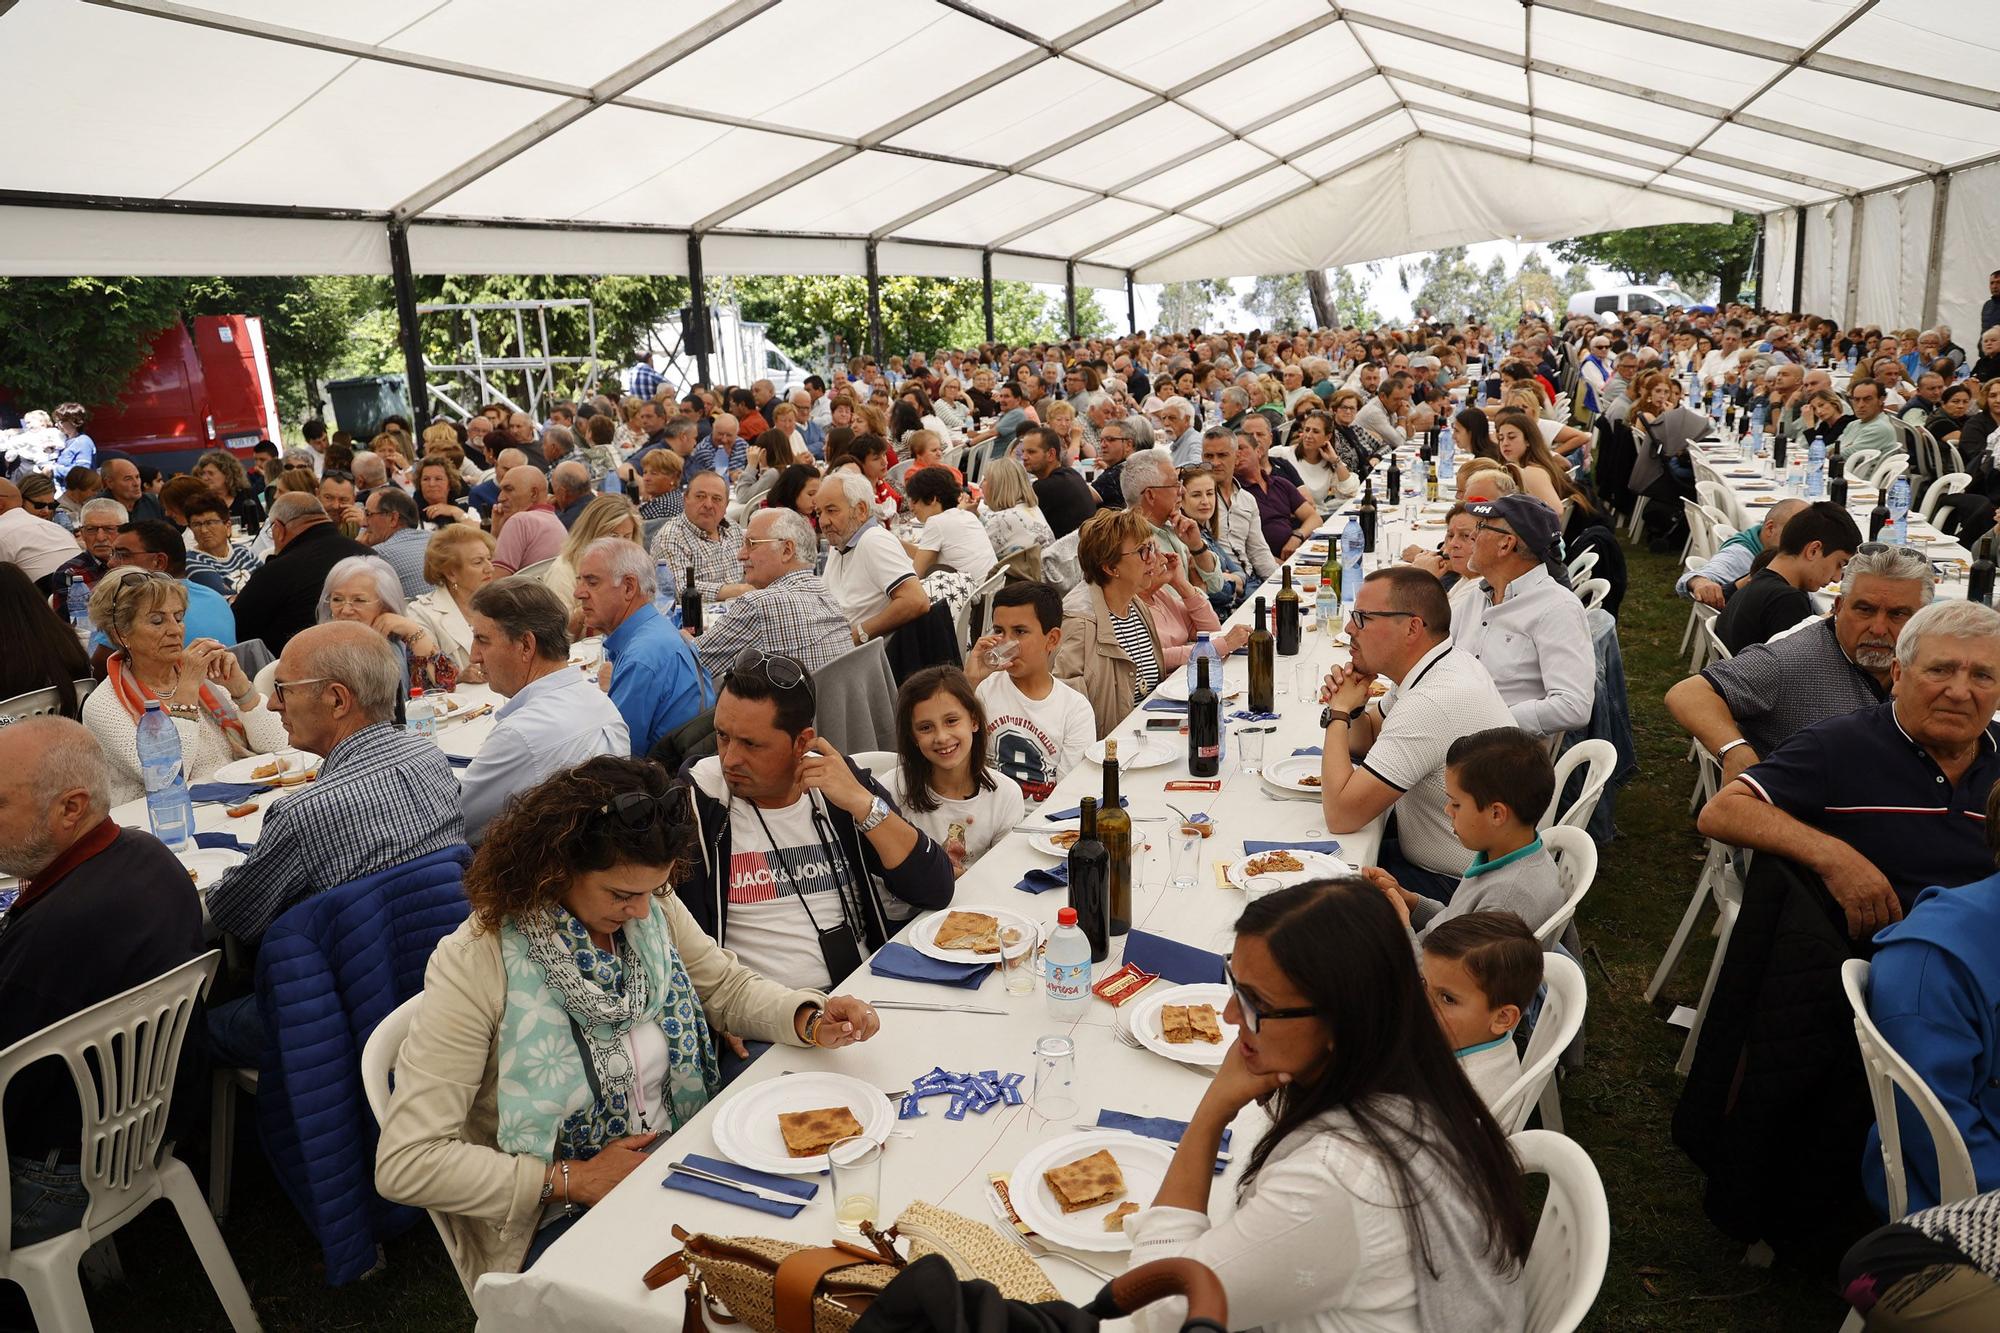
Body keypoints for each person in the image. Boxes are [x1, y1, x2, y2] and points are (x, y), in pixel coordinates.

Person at [375, 756, 881, 1285]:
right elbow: (408, 1161)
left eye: (652, 890)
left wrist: (808, 1016)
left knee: (820, 1225)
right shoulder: (476, 960)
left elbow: (724, 986)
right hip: (557, 1211)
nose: (642, 912)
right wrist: (572, 1178)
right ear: (555, 868)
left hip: (680, 1150)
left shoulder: (652, 903)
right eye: (621, 895)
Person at [1127, 880, 1529, 1333]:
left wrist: (1211, 1112)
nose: (1230, 1016)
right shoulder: (1415, 1071)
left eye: (1257, 1002)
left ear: (1343, 1021)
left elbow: (1157, 1311)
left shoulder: (1335, 1182)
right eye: (1236, 985)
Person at [206, 623, 465, 1059]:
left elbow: (234, 915)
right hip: (438, 993)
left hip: (333, 1015)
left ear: (338, 700)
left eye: (283, 690)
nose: (271, 704)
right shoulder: (431, 758)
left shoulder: (303, 814)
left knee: (192, 1029)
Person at [0, 719, 206, 1248]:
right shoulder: (149, 856)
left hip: (56, 1180)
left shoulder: (52, 937)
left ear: (71, 808)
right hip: (145, 1134)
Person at [1699, 599, 2000, 938]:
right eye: (1939, 670)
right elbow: (1724, 810)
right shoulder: (1839, 745)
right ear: (1898, 675)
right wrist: (1833, 856)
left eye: (1982, 675)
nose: (1960, 692)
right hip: (1893, 956)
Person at [677, 650, 953, 990]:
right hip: (764, 1020)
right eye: (722, 736)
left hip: (864, 995)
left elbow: (936, 889)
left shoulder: (837, 786)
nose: (730, 758)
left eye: (751, 744)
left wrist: (862, 804)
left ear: (802, 742)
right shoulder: (697, 803)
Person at [1318, 566, 1515, 902]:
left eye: (1363, 618)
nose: (1350, 628)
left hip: (1462, 889)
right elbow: (1366, 737)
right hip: (1472, 864)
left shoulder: (1432, 701)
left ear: (1412, 627)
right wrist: (1352, 707)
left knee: (1317, 896)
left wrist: (1337, 713)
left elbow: (1341, 815)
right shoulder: (1444, 662)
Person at [1669, 544, 1932, 782]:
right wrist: (1734, 750)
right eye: (1865, 609)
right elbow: (1688, 693)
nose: (1878, 627)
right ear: (1838, 607)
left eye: (1898, 614)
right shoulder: (1791, 659)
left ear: (1923, 620)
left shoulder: (1931, 663)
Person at [81, 567, 286, 803]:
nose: (175, 630)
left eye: (178, 617)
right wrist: (187, 691)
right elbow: (168, 777)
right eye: (157, 621)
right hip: (166, 821)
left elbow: (279, 746)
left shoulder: (201, 678)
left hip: (237, 800)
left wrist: (242, 690)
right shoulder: (104, 705)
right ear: (120, 634)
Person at [457, 578, 627, 841]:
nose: (474, 656)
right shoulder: (602, 704)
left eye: (482, 640)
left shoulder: (520, 735)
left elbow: (457, 823)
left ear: (526, 645)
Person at [1368, 726, 1563, 941]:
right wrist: (1412, 902)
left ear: (1496, 814)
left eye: (1456, 804)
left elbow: (1443, 973)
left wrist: (1403, 925)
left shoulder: (1505, 903)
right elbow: (1457, 922)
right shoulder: (1503, 853)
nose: (1447, 810)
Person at [1452, 497, 1594, 741]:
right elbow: (1440, 655)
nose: (1472, 536)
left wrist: (1494, 721)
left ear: (1506, 544)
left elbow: (1573, 705)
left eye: (1481, 527)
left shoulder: (1557, 608)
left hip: (1496, 754)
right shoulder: (1478, 595)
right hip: (1449, 727)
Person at [887, 666, 1025, 879]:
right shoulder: (891, 791)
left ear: (974, 721)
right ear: (913, 737)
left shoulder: (1006, 795)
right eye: (925, 727)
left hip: (976, 905)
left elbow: (1005, 878)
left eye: (951, 721)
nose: (941, 737)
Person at [964, 581, 1096, 804]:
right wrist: (970, 681)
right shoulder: (984, 690)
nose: (1006, 643)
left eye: (1020, 632)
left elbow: (1068, 795)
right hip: (988, 816)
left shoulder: (1074, 708)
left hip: (1042, 822)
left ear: (1052, 639)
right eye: (998, 631)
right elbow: (955, 762)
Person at [1056, 508, 1167, 739]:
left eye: (1152, 547)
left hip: (1146, 738)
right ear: (1110, 568)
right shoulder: (1079, 621)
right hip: (1108, 754)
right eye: (1143, 552)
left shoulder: (1135, 605)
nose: (1154, 558)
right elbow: (1066, 710)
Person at [1419, 911, 1543, 1117]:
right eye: (1423, 983)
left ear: (1502, 1018)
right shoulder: (1468, 1038)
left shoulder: (1461, 1099)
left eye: (1448, 998)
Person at [230, 493, 374, 653]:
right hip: (370, 654)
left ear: (278, 529)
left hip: (294, 667)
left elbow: (236, 628)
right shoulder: (369, 556)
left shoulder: (276, 572)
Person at [1712, 502, 1862, 654]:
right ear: (1814, 550)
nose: (1837, 578)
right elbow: (1803, 664)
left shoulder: (1760, 580)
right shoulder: (1786, 601)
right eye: (1839, 564)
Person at [816, 470, 929, 648]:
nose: (823, 521)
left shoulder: (873, 541)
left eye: (831, 510)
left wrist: (858, 634)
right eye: (818, 513)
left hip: (869, 661)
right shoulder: (839, 545)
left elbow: (916, 601)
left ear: (861, 510)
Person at [319, 554, 459, 694]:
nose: (346, 610)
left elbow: (441, 691)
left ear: (385, 605)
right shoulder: (321, 652)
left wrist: (414, 632)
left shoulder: (399, 643)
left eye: (359, 600)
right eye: (337, 599)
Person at [93, 519, 236, 655]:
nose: (111, 563)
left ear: (159, 562)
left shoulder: (131, 607)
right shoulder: (215, 598)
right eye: (113, 554)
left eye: (123, 554)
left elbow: (94, 673)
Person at [406, 524, 499, 678]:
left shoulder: (502, 602)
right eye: (478, 562)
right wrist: (459, 677)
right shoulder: (422, 613)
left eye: (489, 559)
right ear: (451, 574)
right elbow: (425, 678)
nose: (490, 568)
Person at [1676, 498, 1807, 607]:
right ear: (1770, 528)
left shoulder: (1763, 543)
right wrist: (1700, 582)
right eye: (1795, 535)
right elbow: (1694, 577)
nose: (1803, 545)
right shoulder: (1741, 555)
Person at [649, 471, 745, 606]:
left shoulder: (732, 528)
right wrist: (739, 590)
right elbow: (680, 591)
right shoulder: (671, 537)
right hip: (697, 618)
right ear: (685, 499)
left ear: (726, 505)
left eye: (717, 499)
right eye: (700, 496)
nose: (708, 505)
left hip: (739, 609)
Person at [545, 493, 642, 613]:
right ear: (591, 533)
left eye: (627, 537)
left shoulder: (634, 567)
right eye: (613, 536)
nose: (620, 544)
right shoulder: (563, 571)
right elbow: (560, 630)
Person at [902, 468, 995, 582]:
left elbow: (917, 573)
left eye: (914, 500)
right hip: (990, 587)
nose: (911, 507)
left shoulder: (936, 523)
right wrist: (896, 542)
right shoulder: (967, 515)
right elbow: (925, 555)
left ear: (932, 499)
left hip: (971, 595)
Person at [1021, 426, 1098, 541]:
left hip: (1074, 555)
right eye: (1023, 452)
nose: (1024, 457)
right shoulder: (1071, 473)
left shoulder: (1045, 487)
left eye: (1031, 452)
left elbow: (1023, 524)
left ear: (1051, 454)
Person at [1270, 410, 1359, 506]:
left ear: (1328, 437)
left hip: (1316, 515)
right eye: (1307, 430)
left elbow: (1350, 491)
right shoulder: (1281, 454)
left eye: (1315, 431)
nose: (1308, 435)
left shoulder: (1330, 463)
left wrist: (1335, 460)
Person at [978, 456, 1058, 560]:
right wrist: (977, 515)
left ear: (997, 485)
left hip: (1029, 575)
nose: (980, 485)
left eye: (985, 479)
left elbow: (975, 553)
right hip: (1044, 571)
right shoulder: (1030, 508)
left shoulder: (1001, 520)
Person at [491, 466, 567, 575]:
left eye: (508, 489)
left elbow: (494, 584)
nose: (500, 498)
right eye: (501, 490)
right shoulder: (557, 523)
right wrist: (496, 530)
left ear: (533, 494)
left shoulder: (519, 521)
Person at [181, 491, 261, 594]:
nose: (204, 530)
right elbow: (227, 600)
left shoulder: (243, 552)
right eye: (196, 524)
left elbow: (269, 582)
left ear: (227, 526)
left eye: (210, 523)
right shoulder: (192, 562)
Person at [358, 486, 431, 600]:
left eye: (368, 514)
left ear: (393, 519)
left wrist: (358, 549)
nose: (363, 523)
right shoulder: (435, 540)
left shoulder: (378, 555)